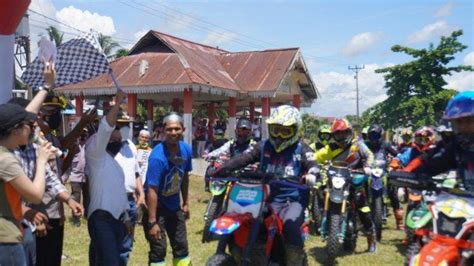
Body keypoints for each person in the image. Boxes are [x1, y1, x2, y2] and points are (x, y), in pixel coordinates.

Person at [210, 105, 319, 265]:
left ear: (296, 130)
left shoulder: (301, 148)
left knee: (290, 226)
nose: (280, 135)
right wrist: (221, 169)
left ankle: (294, 262)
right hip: (263, 196)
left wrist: (312, 174)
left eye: (285, 131)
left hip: (290, 200)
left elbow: (313, 164)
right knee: (239, 214)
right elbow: (244, 158)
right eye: (276, 130)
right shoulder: (263, 146)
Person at [315, 118, 377, 252]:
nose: (342, 136)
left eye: (344, 133)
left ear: (350, 132)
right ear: (334, 135)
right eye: (338, 134)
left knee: (363, 208)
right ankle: (322, 223)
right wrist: (311, 164)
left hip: (355, 180)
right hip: (337, 180)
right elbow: (316, 157)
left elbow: (369, 155)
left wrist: (367, 166)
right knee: (321, 192)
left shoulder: (358, 145)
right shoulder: (331, 148)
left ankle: (371, 239)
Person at [85, 90, 130, 266]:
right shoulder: (95, 152)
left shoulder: (114, 162)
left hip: (117, 220)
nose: (120, 135)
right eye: (116, 129)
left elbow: (119, 192)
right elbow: (105, 128)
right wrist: (117, 103)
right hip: (101, 219)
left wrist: (126, 217)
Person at [144, 113, 192, 266]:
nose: (173, 133)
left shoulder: (186, 150)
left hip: (174, 207)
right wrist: (152, 222)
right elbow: (151, 190)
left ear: (183, 129)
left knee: (181, 247)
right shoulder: (157, 157)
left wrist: (185, 202)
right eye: (169, 129)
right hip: (156, 210)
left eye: (177, 129)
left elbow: (184, 177)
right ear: (163, 131)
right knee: (159, 250)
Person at [412, 91, 474, 192]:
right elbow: (435, 164)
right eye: (458, 121)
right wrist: (415, 176)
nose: (463, 126)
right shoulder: (457, 146)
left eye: (469, 120)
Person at [115, 115, 146, 263]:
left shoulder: (131, 146)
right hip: (114, 200)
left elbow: (136, 172)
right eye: (121, 125)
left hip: (130, 199)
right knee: (110, 242)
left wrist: (141, 193)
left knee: (126, 243)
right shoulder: (107, 147)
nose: (125, 128)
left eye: (128, 124)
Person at [365, 124, 404, 230]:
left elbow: (397, 154)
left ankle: (399, 221)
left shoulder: (385, 145)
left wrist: (398, 160)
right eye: (372, 135)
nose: (374, 138)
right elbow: (356, 153)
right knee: (359, 190)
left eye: (376, 135)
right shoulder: (365, 145)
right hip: (368, 171)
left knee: (393, 191)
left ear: (380, 135)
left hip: (384, 171)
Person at [67, 129, 89, 227]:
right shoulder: (73, 146)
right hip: (75, 177)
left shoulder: (89, 146)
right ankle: (76, 218)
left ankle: (87, 217)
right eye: (82, 133)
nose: (83, 135)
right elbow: (67, 164)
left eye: (85, 133)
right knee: (76, 197)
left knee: (88, 197)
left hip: (86, 176)